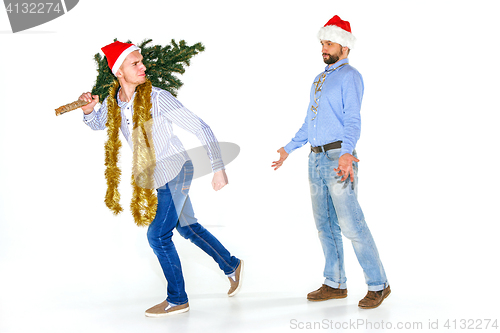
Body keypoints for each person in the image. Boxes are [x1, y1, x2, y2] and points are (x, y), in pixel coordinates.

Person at [79, 41, 243, 317]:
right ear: (119, 71)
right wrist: (87, 110)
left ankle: (177, 299)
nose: (143, 67)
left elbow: (200, 126)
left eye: (141, 61)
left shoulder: (158, 97)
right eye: (135, 63)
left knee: (158, 235)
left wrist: (218, 166)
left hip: (177, 171)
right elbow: (98, 123)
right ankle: (231, 264)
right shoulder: (114, 102)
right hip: (156, 176)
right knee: (187, 228)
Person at [272, 15, 390, 309]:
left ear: (345, 47)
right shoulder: (319, 78)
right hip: (315, 158)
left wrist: (348, 152)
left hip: (339, 158)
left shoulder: (350, 76)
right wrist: (289, 148)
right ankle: (335, 283)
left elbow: (353, 119)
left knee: (352, 224)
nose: (323, 48)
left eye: (329, 43)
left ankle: (379, 284)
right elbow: (310, 122)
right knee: (324, 225)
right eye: (322, 43)